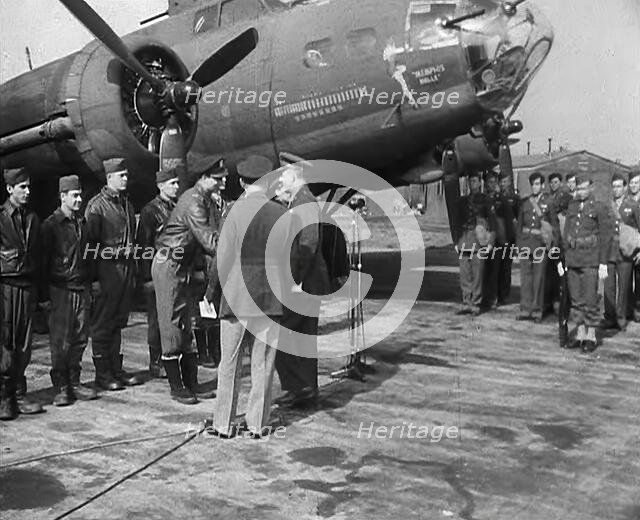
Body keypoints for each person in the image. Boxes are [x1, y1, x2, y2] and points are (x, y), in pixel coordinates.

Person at [206, 155, 293, 438]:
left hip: (236, 297)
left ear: (242, 182)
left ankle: (223, 424)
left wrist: (210, 291)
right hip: (270, 298)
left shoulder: (234, 211)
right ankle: (257, 424)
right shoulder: (281, 214)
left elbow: (222, 258)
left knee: (229, 363)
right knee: (263, 364)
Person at [152, 161, 224, 404]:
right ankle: (177, 386)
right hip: (169, 264)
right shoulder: (193, 201)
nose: (222, 182)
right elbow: (210, 241)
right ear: (204, 177)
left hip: (182, 266)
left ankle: (192, 383)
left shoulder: (204, 199)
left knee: (187, 322)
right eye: (218, 178)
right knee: (172, 322)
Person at [85, 158, 143, 391]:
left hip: (126, 271)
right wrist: (94, 280)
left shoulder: (126, 204)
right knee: (102, 323)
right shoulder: (96, 207)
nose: (126, 179)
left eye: (127, 175)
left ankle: (116, 369)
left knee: (118, 321)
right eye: (122, 175)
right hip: (107, 271)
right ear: (109, 178)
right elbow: (89, 247)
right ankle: (103, 373)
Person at [274, 163, 329, 406]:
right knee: (304, 336)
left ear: (296, 179)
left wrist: (296, 281)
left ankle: (297, 387)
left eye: (283, 180)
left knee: (282, 335)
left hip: (304, 282)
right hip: (310, 281)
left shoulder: (303, 202)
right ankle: (307, 388)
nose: (280, 185)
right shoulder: (301, 199)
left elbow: (307, 244)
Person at [41, 175, 99, 406]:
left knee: (80, 338)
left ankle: (75, 381)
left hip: (81, 288)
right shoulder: (51, 226)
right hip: (61, 290)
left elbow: (89, 255)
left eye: (80, 194)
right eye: (74, 195)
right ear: (62, 196)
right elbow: (42, 263)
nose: (79, 199)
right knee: (61, 340)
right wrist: (44, 297)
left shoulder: (82, 224)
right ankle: (61, 386)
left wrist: (93, 280)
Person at [0, 168, 44, 420]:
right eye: (22, 187)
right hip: (6, 286)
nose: (28, 192)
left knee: (25, 343)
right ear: (9, 189)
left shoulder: (32, 219)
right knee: (6, 341)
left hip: (27, 285)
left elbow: (38, 254)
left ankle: (19, 392)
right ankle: (5, 396)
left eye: (28, 187)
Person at [136, 168, 179, 378]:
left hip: (175, 271)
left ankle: (172, 355)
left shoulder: (177, 207)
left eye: (177, 183)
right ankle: (156, 360)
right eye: (172, 183)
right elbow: (144, 246)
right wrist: (147, 277)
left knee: (173, 317)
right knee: (156, 318)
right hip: (157, 271)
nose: (176, 187)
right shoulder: (150, 211)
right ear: (161, 186)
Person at [563, 176, 611, 352]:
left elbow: (606, 236)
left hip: (590, 260)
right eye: (578, 188)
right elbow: (567, 231)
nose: (581, 192)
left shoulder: (598, 207)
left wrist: (603, 263)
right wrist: (565, 256)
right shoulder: (572, 206)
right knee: (576, 300)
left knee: (590, 300)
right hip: (573, 259)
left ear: (591, 187)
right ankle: (580, 333)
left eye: (584, 188)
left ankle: (591, 335)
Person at [516, 172, 557, 322]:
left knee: (539, 279)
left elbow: (554, 225)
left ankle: (537, 310)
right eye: (533, 184)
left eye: (538, 184)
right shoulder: (525, 203)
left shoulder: (549, 203)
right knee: (525, 278)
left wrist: (553, 245)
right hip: (526, 243)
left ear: (543, 185)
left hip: (540, 244)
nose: (535, 187)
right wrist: (519, 245)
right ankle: (525, 309)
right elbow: (519, 225)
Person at [454, 171, 495, 316]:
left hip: (478, 242)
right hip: (464, 240)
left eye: (476, 181)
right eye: (471, 181)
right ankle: (466, 302)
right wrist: (456, 241)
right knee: (465, 274)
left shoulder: (486, 201)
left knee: (477, 274)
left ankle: (476, 303)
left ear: (480, 183)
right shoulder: (462, 201)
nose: (473, 184)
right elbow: (457, 223)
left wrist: (490, 243)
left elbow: (492, 223)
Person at [603, 173, 640, 331]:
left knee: (624, 287)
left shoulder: (633, 205)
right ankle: (610, 317)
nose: (616, 189)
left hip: (626, 252)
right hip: (609, 251)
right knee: (608, 286)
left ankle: (621, 317)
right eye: (614, 186)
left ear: (625, 188)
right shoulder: (606, 206)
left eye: (619, 186)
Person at [483, 171, 514, 309]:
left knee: (504, 270)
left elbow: (510, 213)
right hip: (490, 240)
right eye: (490, 182)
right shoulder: (484, 198)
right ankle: (492, 297)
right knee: (491, 270)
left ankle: (503, 296)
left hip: (504, 239)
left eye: (494, 182)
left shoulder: (503, 198)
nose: (493, 184)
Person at [544, 172, 570, 316]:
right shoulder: (548, 197)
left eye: (556, 182)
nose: (554, 184)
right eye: (551, 182)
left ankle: (562, 303)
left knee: (562, 273)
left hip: (561, 238)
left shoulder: (566, 196)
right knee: (550, 273)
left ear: (560, 182)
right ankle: (550, 301)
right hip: (550, 239)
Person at [498, 172, 519, 304]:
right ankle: (494, 294)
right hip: (495, 239)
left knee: (506, 268)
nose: (504, 184)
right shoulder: (493, 197)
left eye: (506, 181)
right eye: (502, 181)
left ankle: (504, 295)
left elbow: (518, 220)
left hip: (509, 239)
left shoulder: (515, 199)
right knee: (494, 268)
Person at [629, 170, 640, 322]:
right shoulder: (625, 201)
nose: (634, 185)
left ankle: (638, 309)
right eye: (631, 182)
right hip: (626, 247)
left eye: (637, 182)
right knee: (624, 281)